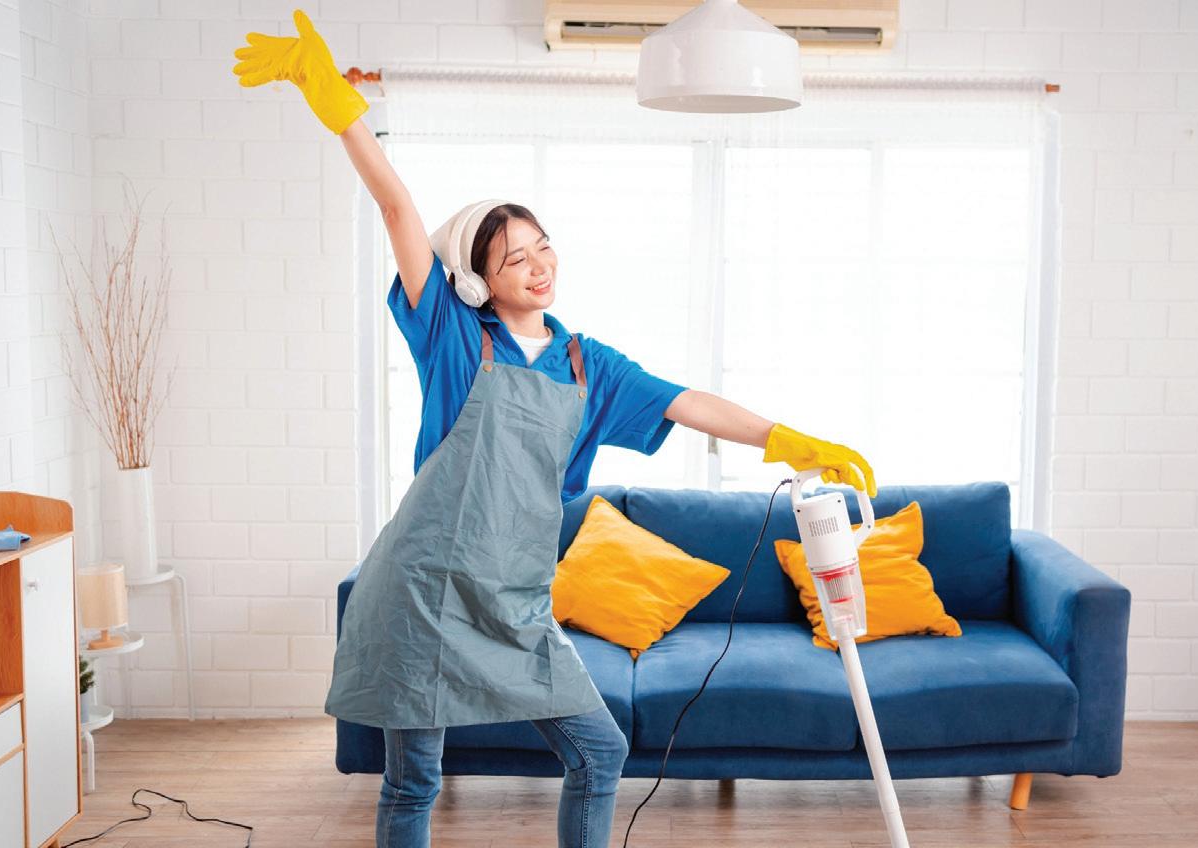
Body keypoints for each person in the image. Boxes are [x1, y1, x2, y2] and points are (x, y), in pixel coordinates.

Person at [233, 11, 878, 848]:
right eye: (515, 258)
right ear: (477, 280)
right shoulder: (452, 337)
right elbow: (396, 207)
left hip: (514, 602)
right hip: (423, 593)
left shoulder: (585, 364)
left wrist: (786, 438)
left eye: (543, 248)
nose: (538, 267)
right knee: (414, 781)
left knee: (599, 751)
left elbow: (686, 401)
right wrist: (340, 108)